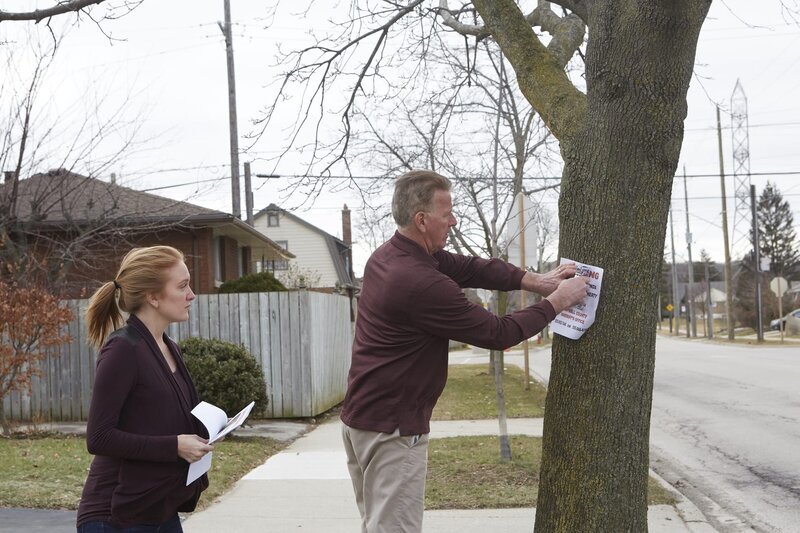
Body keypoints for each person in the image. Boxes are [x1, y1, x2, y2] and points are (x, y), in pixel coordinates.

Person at [340, 170, 590, 533]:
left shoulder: (390, 256)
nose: (453, 221)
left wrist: (532, 280)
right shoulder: (419, 282)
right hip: (391, 430)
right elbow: (497, 333)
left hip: (363, 421)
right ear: (422, 220)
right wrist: (556, 302)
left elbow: (472, 267)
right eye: (447, 213)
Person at [77, 246, 212, 533]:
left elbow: (161, 420)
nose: (192, 295)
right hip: (116, 515)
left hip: (157, 506)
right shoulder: (123, 349)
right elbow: (98, 438)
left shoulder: (169, 348)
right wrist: (175, 445)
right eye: (183, 286)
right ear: (152, 296)